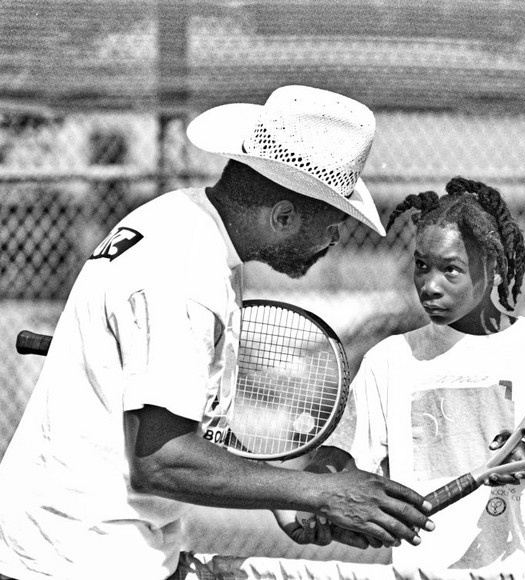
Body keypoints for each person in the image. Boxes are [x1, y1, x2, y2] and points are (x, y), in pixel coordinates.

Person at [0, 85, 434, 580]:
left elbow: (171, 432)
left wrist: (280, 498)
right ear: (284, 216)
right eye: (334, 222)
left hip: (83, 547)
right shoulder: (186, 273)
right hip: (78, 559)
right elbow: (162, 460)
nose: (336, 239)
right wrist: (321, 493)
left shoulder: (181, 221)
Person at [283, 176, 525, 576]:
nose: (430, 286)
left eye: (450, 269)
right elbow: (336, 465)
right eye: (422, 266)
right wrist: (309, 504)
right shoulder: (390, 358)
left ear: (492, 267)